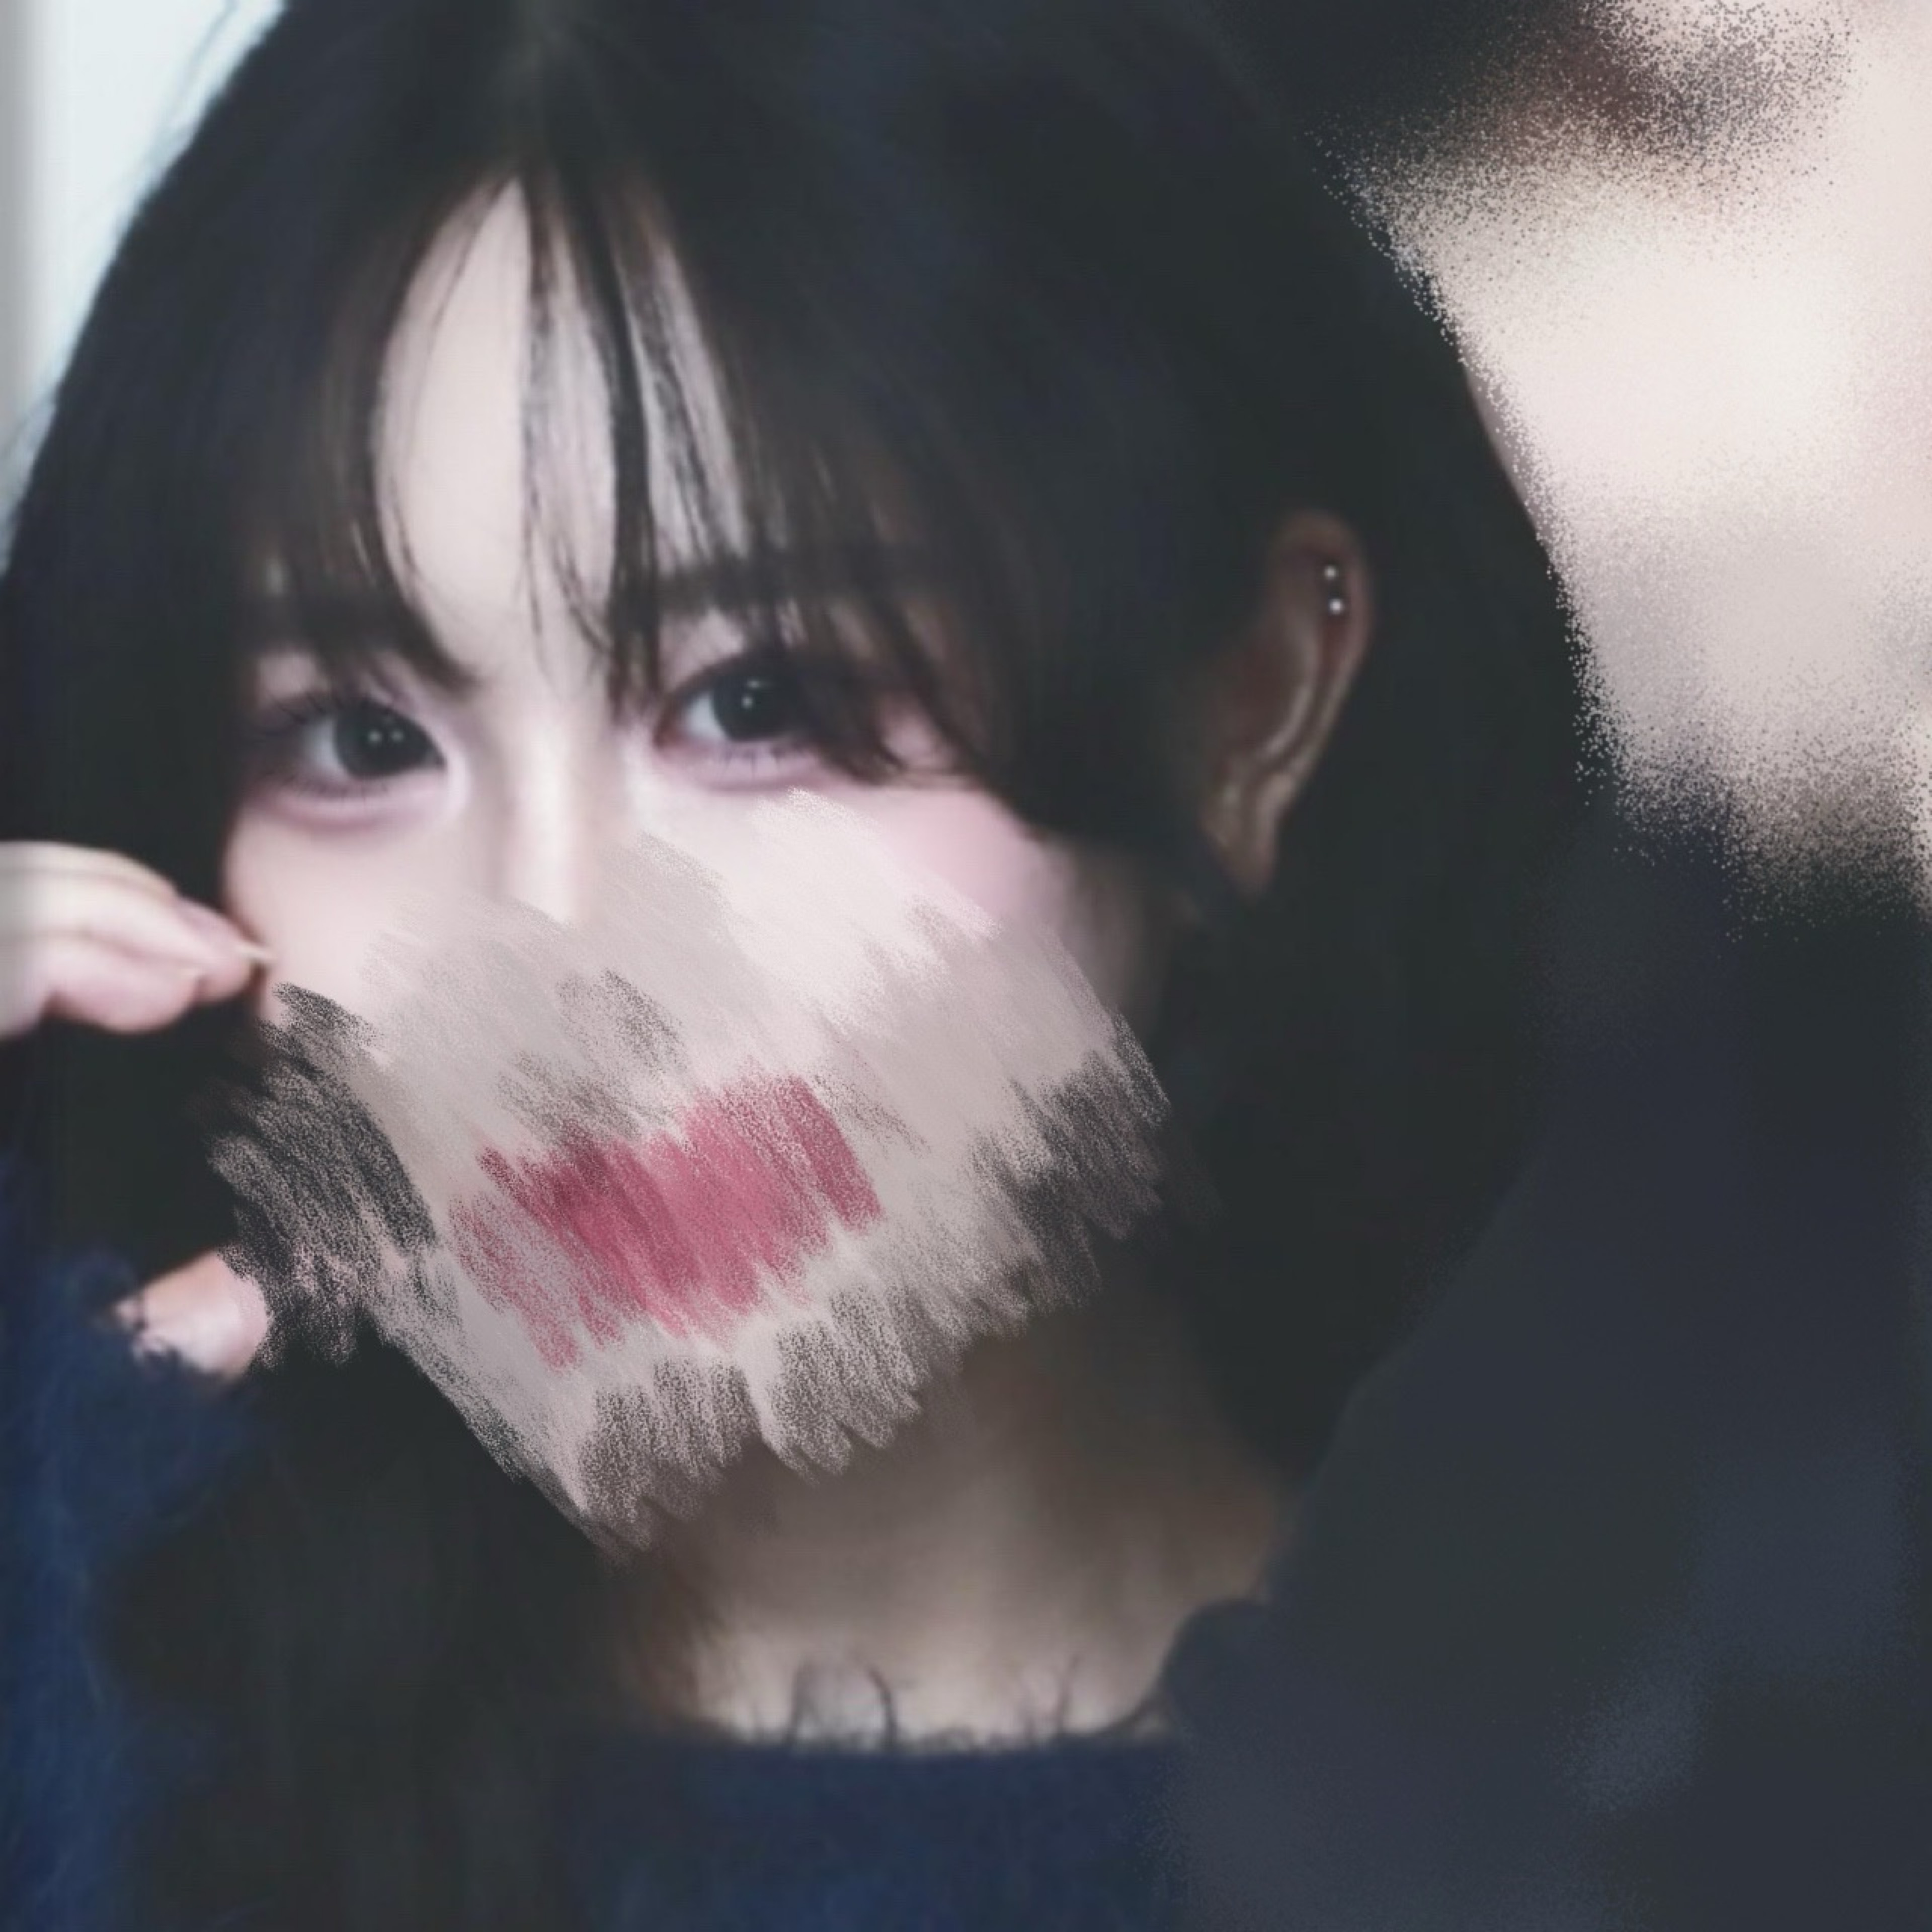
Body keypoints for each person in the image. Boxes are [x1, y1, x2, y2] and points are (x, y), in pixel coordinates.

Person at [0, 1, 1580, 1926]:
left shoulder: (1700, 1763)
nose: (555, 968)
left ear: (1248, 709)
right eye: (361, 739)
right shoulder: (80, 1666)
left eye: (762, 703)